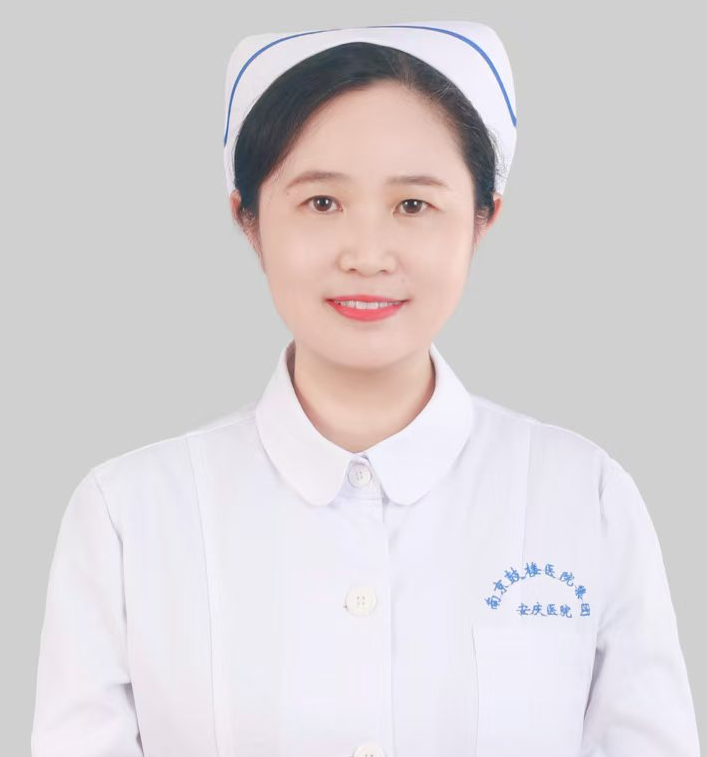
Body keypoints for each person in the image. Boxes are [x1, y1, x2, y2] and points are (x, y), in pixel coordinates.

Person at [31, 19, 701, 757]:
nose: (368, 254)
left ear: (482, 220)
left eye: (413, 205)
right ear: (248, 220)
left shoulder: (585, 497)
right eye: (322, 202)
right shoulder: (127, 514)